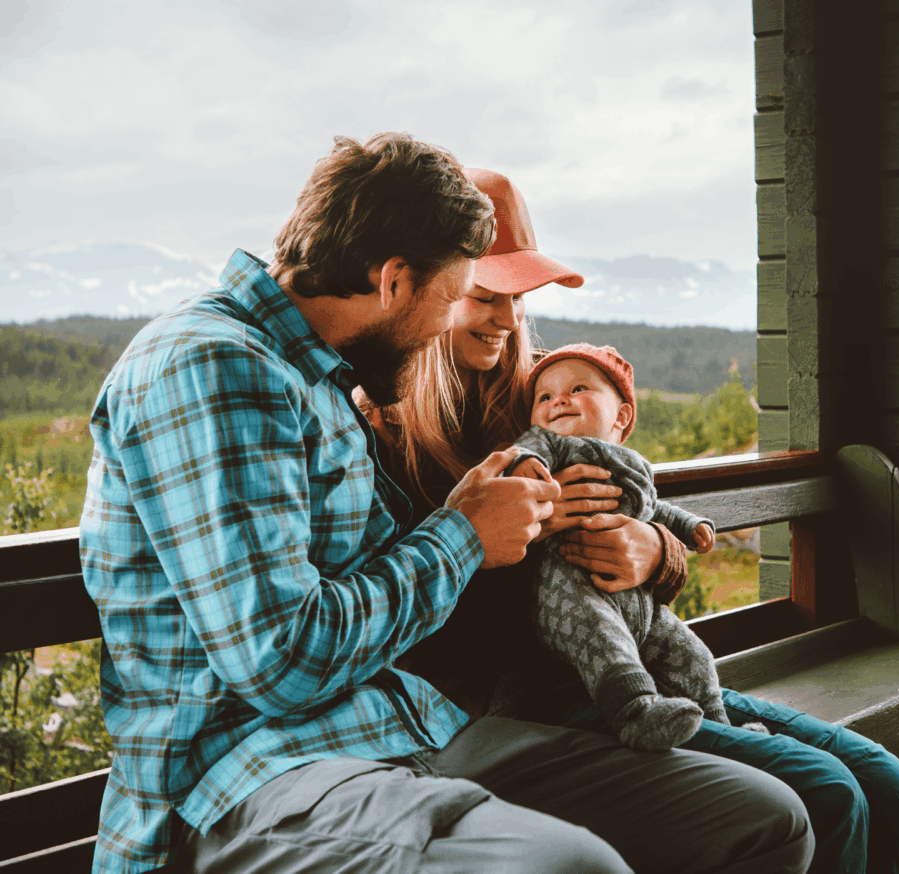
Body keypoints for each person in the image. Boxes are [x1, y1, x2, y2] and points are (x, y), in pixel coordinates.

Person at [79, 136, 812, 874]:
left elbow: (382, 571)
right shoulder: (215, 365)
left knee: (764, 822)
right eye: (455, 295)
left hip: (405, 725)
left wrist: (511, 517)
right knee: (569, 869)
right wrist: (462, 533)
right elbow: (281, 663)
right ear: (394, 279)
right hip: (252, 770)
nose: (445, 326)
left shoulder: (320, 378)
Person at [368, 167, 899, 874]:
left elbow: (639, 506)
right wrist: (510, 539)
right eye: (484, 297)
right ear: (436, 290)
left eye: (519, 299)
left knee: (893, 787)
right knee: (828, 793)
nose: (508, 322)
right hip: (545, 704)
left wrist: (655, 550)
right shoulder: (390, 436)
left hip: (639, 667)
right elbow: (419, 627)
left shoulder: (541, 394)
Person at [508, 342, 769, 750]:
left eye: (578, 390)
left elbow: (653, 509)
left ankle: (721, 722)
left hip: (639, 603)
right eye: (545, 396)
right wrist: (523, 468)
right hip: (568, 586)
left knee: (692, 652)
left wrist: (686, 527)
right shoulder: (553, 446)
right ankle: (635, 712)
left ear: (622, 415)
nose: (559, 400)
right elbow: (522, 453)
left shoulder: (633, 464)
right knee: (601, 638)